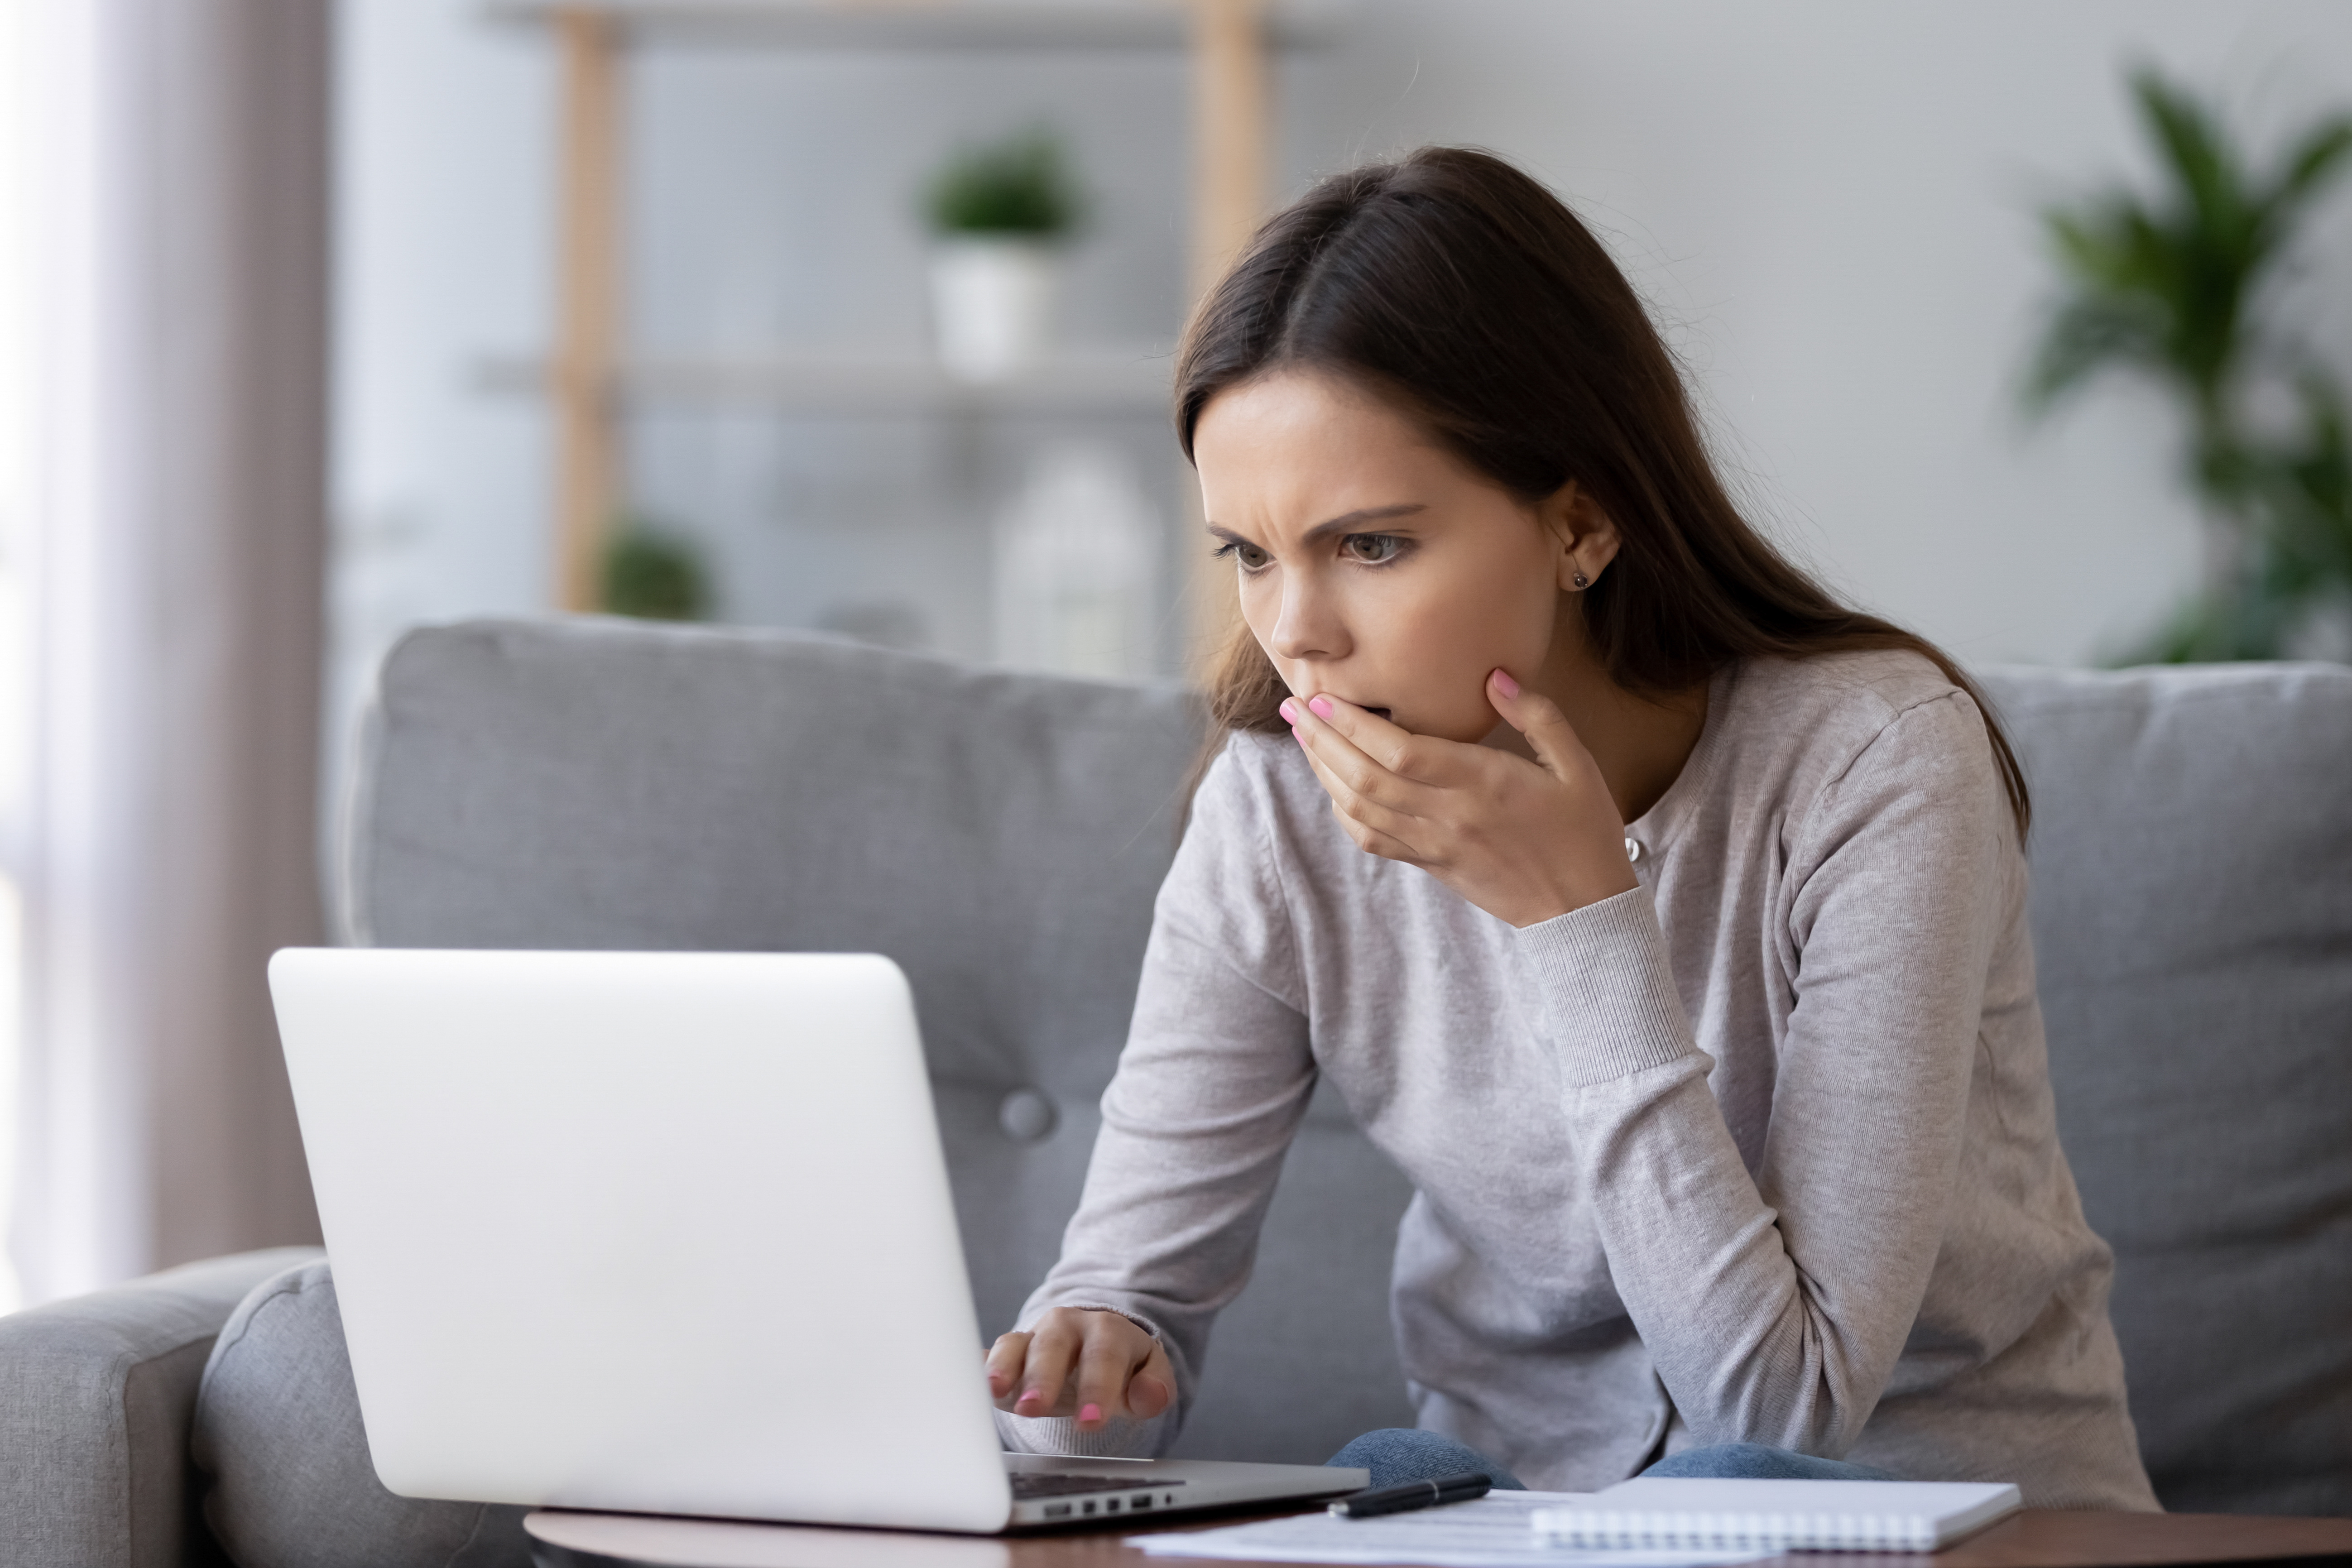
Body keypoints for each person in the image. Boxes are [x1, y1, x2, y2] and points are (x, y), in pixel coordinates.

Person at [980, 147, 2158, 1508]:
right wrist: (1092, 1361)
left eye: (1370, 546)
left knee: (1718, 1470)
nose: (1294, 632)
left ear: (1582, 523)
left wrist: (1580, 926)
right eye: (1248, 554)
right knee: (1386, 1477)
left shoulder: (1875, 764)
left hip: (1926, 1506)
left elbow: (1779, 1410)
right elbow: (1117, 1329)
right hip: (1517, 1516)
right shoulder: (1275, 807)